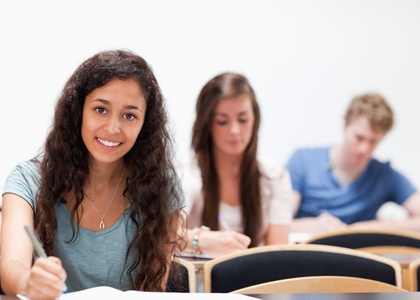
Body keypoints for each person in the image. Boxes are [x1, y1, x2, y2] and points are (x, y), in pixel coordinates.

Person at [1, 50, 186, 298]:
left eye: (129, 115)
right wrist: (28, 282)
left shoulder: (160, 185)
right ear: (78, 112)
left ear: (145, 125)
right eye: (100, 109)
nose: (112, 128)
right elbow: (11, 268)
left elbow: (151, 292)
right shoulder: (28, 179)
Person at [286, 92, 420, 236]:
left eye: (373, 142)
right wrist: (310, 226)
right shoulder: (302, 161)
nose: (364, 148)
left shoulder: (384, 175)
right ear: (345, 125)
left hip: (358, 264)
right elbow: (275, 224)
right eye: (359, 138)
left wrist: (380, 227)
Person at [180, 72, 294, 258]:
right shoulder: (187, 175)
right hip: (198, 284)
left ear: (255, 119)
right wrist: (201, 240)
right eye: (222, 121)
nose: (234, 130)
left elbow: (277, 256)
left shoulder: (273, 175)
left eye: (243, 119)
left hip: (254, 283)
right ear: (206, 124)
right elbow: (164, 235)